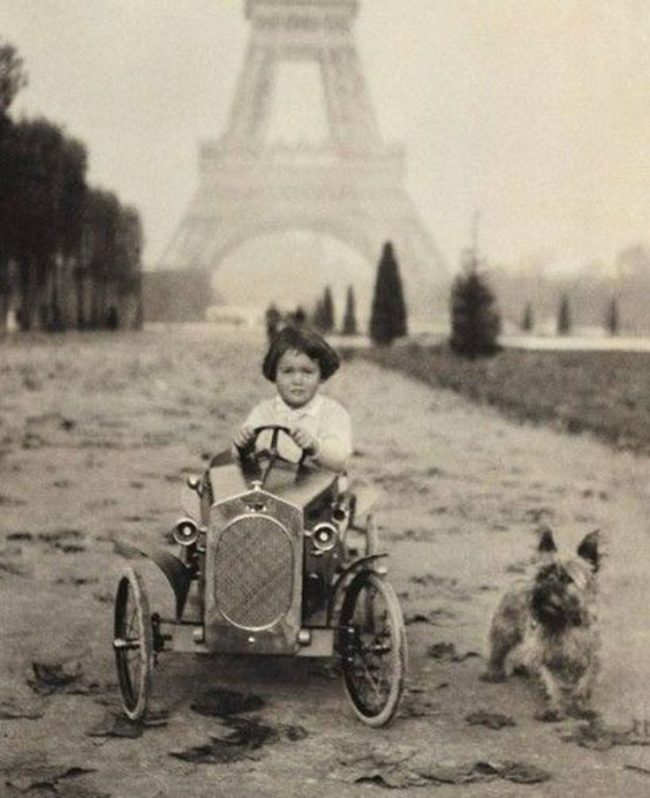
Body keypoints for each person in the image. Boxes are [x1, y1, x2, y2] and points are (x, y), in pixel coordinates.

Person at [232, 326, 352, 473]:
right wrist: (244, 446)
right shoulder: (263, 412)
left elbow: (339, 460)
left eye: (307, 372)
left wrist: (315, 446)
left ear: (321, 376)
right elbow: (239, 459)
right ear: (274, 374)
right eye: (288, 372)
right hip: (274, 489)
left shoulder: (332, 413)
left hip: (322, 492)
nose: (297, 380)